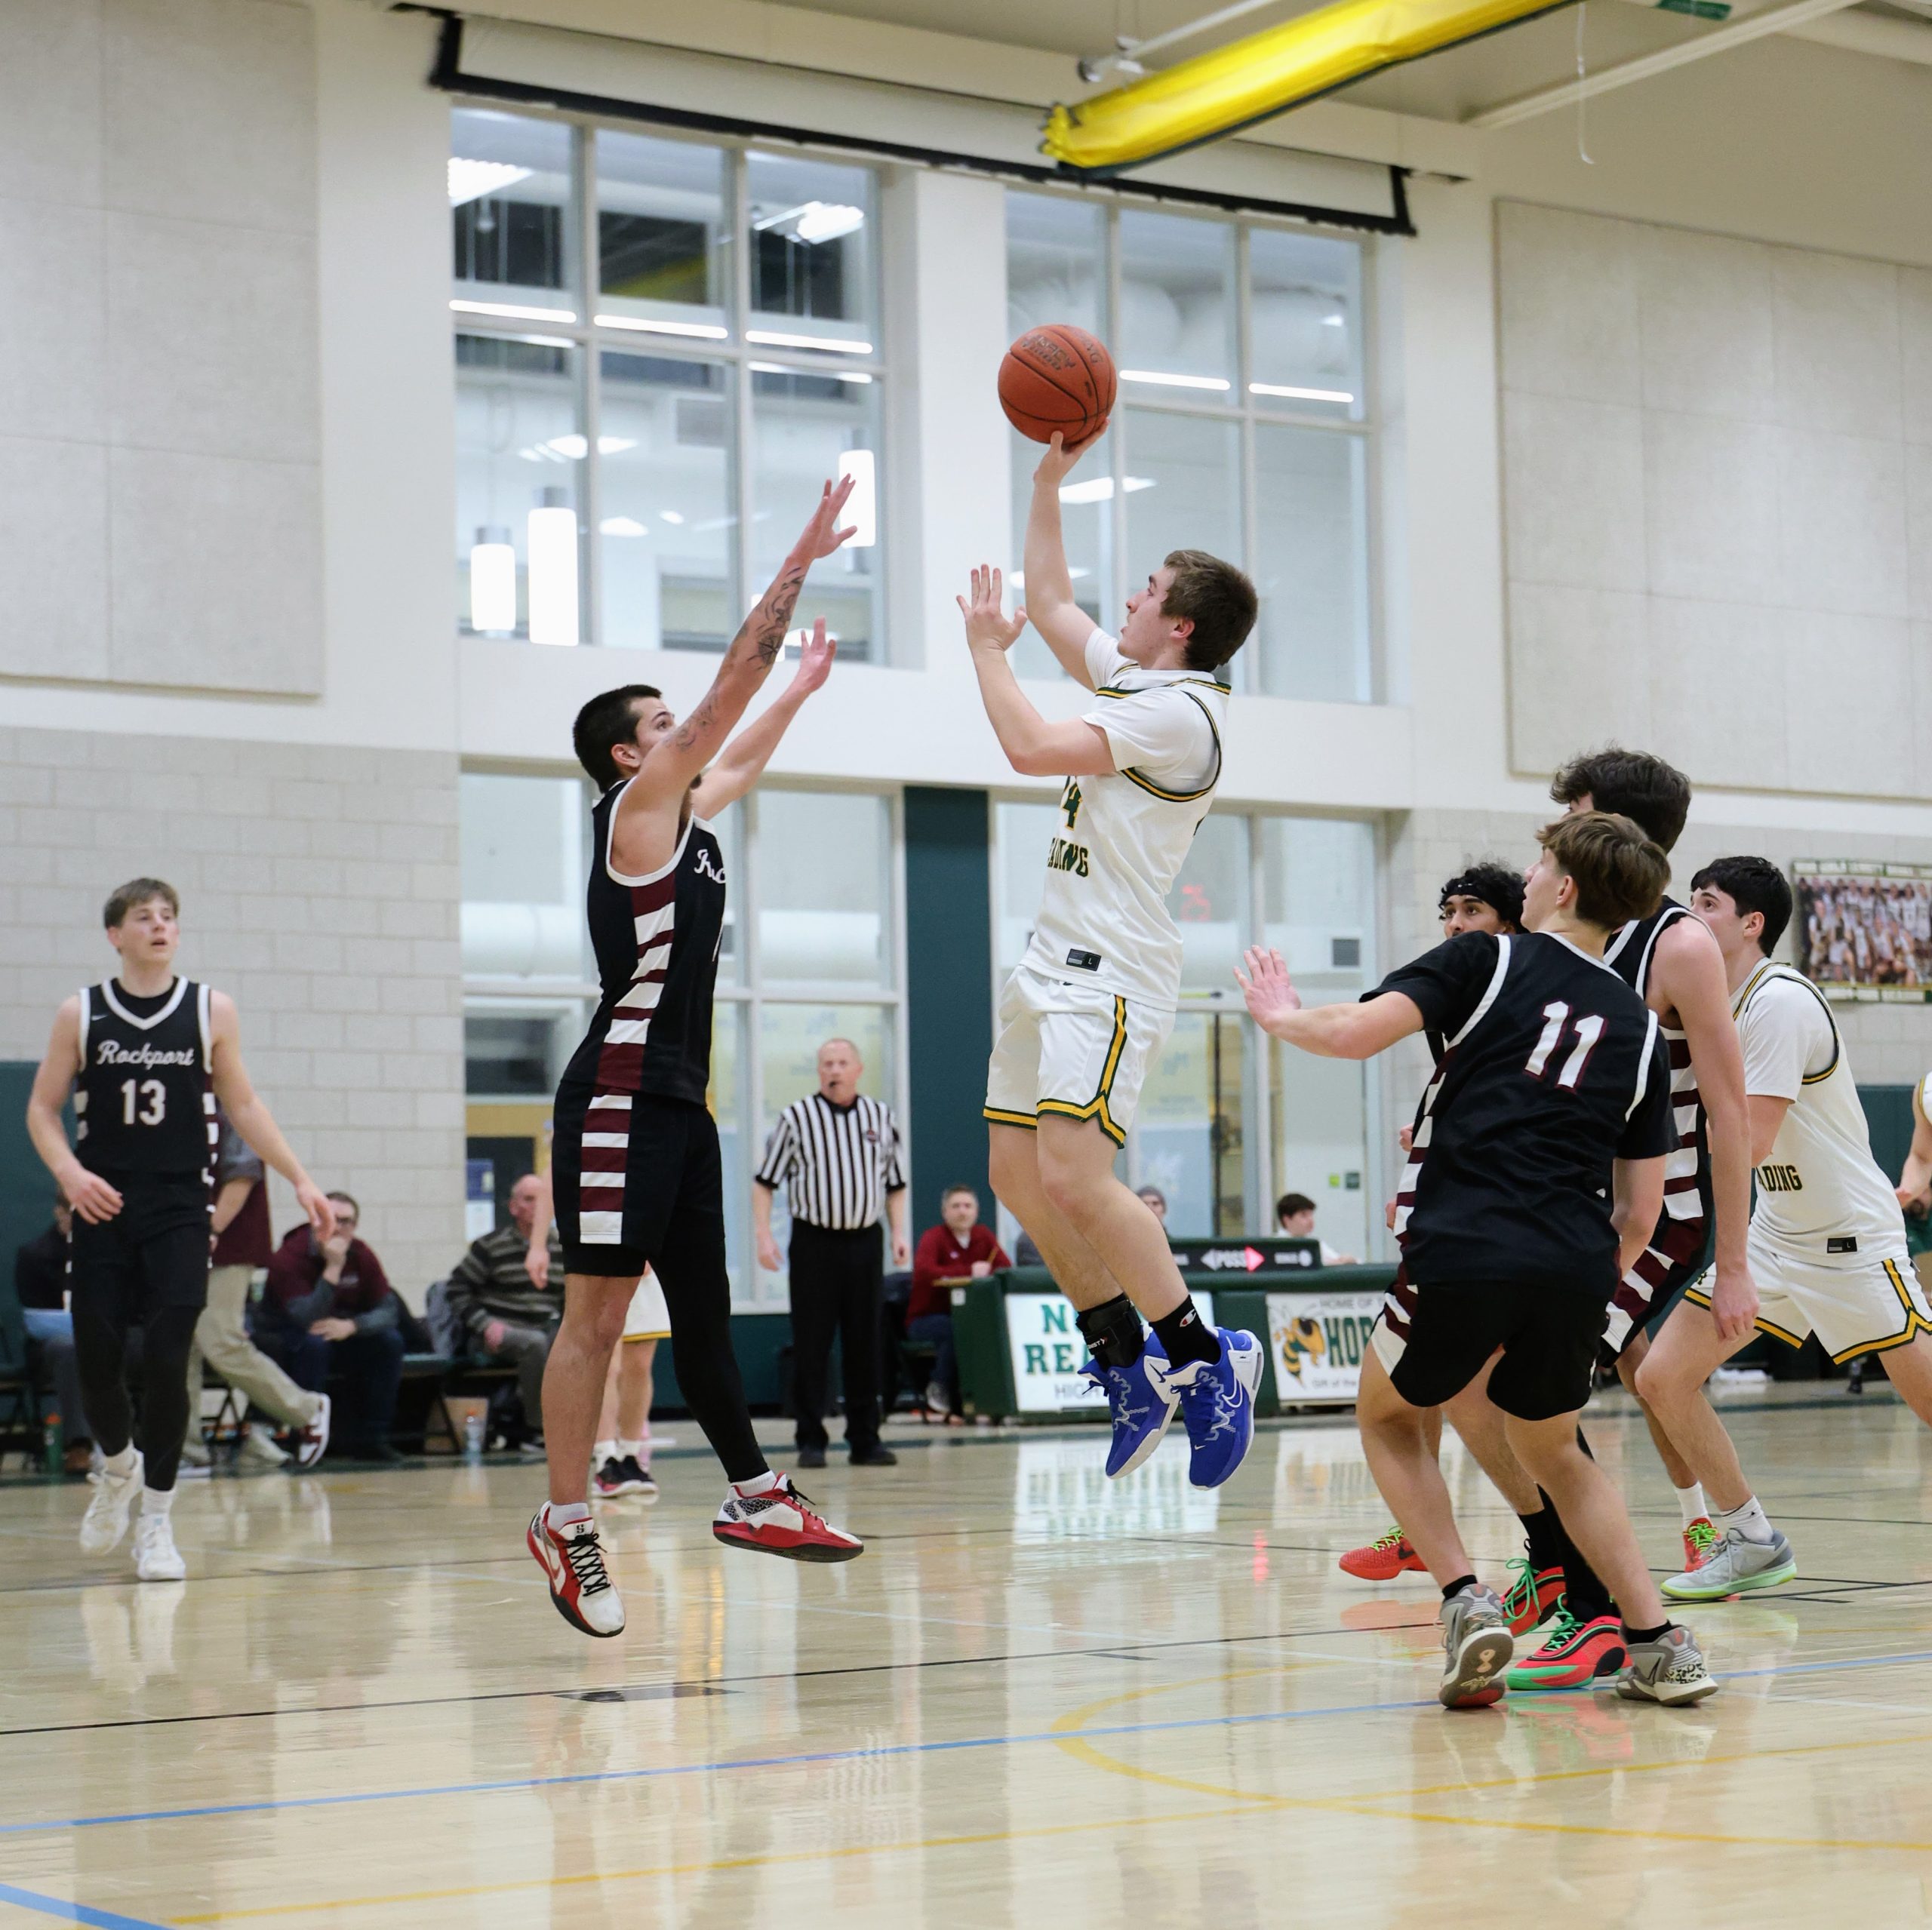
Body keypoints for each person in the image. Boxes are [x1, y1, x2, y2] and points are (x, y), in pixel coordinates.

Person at [1238, 812, 1717, 1708]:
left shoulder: (1485, 958)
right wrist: (1583, 1282)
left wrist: (1278, 1014)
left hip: (1465, 1241)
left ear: (1563, 886)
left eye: (1538, 863)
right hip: (1577, 1261)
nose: (1526, 876)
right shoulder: (1642, 1025)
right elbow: (1640, 1209)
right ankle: (1660, 1644)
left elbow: (1352, 1033)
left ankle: (1464, 1597)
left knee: (1387, 1414)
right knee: (1555, 1447)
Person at [529, 475, 866, 1642]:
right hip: (617, 1097)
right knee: (595, 1318)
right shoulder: (634, 815)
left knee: (707, 1319)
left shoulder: (687, 822)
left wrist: (803, 693)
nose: (687, 730)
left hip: (681, 1104)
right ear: (630, 754)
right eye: (664, 723)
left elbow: (739, 753)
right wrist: (799, 559)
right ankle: (564, 1519)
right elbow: (731, 692)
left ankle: (755, 1493)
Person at [1427, 749, 1762, 1697]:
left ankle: (1605, 1612)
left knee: (1532, 1405)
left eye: (1572, 808)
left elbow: (1729, 1109)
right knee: (1472, 1386)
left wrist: (1734, 1261)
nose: (1557, 827)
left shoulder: (1679, 943)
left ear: (1613, 823)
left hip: (1656, 1213)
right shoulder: (1567, 933)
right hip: (1564, 1208)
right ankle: (1559, 1567)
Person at [968, 426, 1265, 1492]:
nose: (1126, 600)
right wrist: (1047, 480)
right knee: (1016, 1174)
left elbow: (1028, 747)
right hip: (1050, 960)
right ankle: (1123, 1360)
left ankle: (1205, 1359)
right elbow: (1052, 600)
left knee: (1075, 1176)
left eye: (1145, 591)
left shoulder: (1180, 713)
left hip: (1112, 971)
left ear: (1179, 625)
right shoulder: (1140, 681)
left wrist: (986, 653)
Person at [24, 877, 334, 1581]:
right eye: (144, 917)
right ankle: (117, 1468)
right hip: (102, 1204)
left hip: (179, 1208)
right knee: (98, 1357)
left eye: (168, 916)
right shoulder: (81, 1012)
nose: (160, 926)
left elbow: (244, 1105)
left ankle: (158, 1523)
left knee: (170, 1360)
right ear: (116, 935)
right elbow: (42, 1110)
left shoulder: (209, 1008)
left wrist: (300, 1177)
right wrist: (70, 1174)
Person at [1638, 859, 1932, 1601]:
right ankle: (1751, 1538)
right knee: (1662, 1378)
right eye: (1689, 900)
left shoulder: (1779, 1002)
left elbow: (1750, 1141)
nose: (1690, 916)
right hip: (1776, 1235)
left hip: (1848, 1239)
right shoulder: (1717, 1005)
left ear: (1751, 924)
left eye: (1707, 903)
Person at [1337, 863, 1524, 1585]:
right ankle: (1423, 1533)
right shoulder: (1460, 991)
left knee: (1501, 1406)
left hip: (1514, 1218)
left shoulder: (1523, 984)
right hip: (1461, 1208)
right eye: (1448, 912)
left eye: (1471, 910)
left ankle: (1561, 1553)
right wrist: (1425, 1147)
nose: (1454, 924)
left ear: (1510, 920)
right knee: (1427, 1382)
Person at [754, 1037, 909, 1469]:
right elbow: (764, 1182)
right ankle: (811, 1439)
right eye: (827, 1063)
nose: (834, 1070)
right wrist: (763, 1236)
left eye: (842, 1063)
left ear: (858, 1069)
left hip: (865, 1240)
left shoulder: (880, 1117)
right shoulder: (796, 1118)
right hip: (814, 1242)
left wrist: (898, 1232)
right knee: (812, 1341)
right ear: (819, 1071)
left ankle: (865, 1439)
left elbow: (896, 1184)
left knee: (865, 1341)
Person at [180, 1102, 330, 1473]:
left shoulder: (231, 1109)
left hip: (226, 1245)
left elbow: (242, 1178)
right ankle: (187, 1450)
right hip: (185, 1244)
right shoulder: (182, 1106)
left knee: (221, 1340)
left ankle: (306, 1409)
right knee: (179, 1347)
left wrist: (212, 1229)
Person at [257, 1193, 405, 1462]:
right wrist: (334, 1268)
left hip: (341, 1330)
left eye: (346, 1222)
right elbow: (306, 1316)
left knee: (389, 1343)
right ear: (316, 1220)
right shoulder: (290, 1256)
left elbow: (389, 1310)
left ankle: (372, 1438)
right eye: (331, 1219)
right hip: (286, 1334)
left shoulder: (361, 1253)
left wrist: (353, 1325)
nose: (338, 1228)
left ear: (355, 1226)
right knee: (314, 1346)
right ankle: (304, 1435)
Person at [447, 1172, 565, 1454]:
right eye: (529, 1199)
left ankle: (578, 1426)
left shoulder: (561, 1249)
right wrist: (485, 1324)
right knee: (534, 1344)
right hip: (496, 1331)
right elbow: (456, 1289)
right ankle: (537, 1429)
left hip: (543, 1328)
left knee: (568, 1345)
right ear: (513, 1207)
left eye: (542, 1200)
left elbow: (567, 1301)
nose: (536, 1206)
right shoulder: (490, 1246)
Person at [909, 1185, 1010, 1416]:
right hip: (927, 1318)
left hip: (971, 1316)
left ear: (976, 1211)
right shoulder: (933, 1237)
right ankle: (940, 1387)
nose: (962, 1211)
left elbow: (1005, 1269)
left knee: (985, 1328)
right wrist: (968, 1270)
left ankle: (992, 1397)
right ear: (945, 1212)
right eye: (956, 1206)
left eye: (968, 1206)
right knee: (956, 1329)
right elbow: (924, 1272)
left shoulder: (984, 1236)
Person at [14, 1197, 94, 1474]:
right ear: (58, 1212)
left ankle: (150, 1440)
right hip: (55, 1344)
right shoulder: (35, 1255)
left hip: (107, 1336)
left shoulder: (108, 1253)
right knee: (69, 1348)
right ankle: (79, 1445)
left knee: (151, 1343)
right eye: (71, 1212)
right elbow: (36, 1318)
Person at [592, 1266, 667, 1501]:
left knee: (640, 1366)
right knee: (607, 1366)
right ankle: (605, 1460)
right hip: (601, 1265)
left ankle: (630, 1456)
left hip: (646, 1270)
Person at [1275, 1193, 1358, 1267]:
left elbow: (1336, 1259)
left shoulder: (1314, 1243)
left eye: (1311, 1215)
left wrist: (1346, 1261)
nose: (1310, 1220)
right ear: (1287, 1220)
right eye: (1304, 1216)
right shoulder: (1276, 1246)